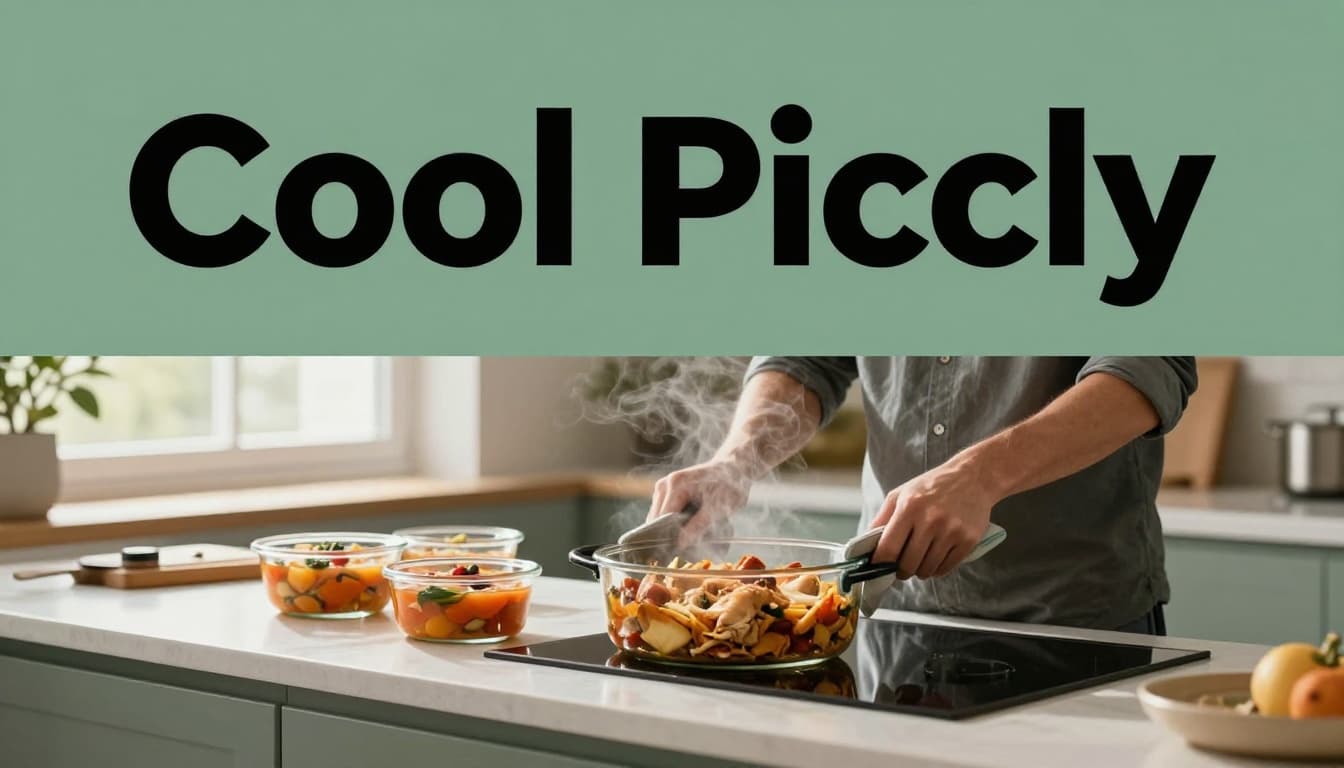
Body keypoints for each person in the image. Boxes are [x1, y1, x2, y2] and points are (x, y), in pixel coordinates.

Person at [645, 357, 1197, 634]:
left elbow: (1146, 370)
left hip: (1072, 620)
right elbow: (805, 359)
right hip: (893, 614)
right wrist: (735, 461)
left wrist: (979, 475)